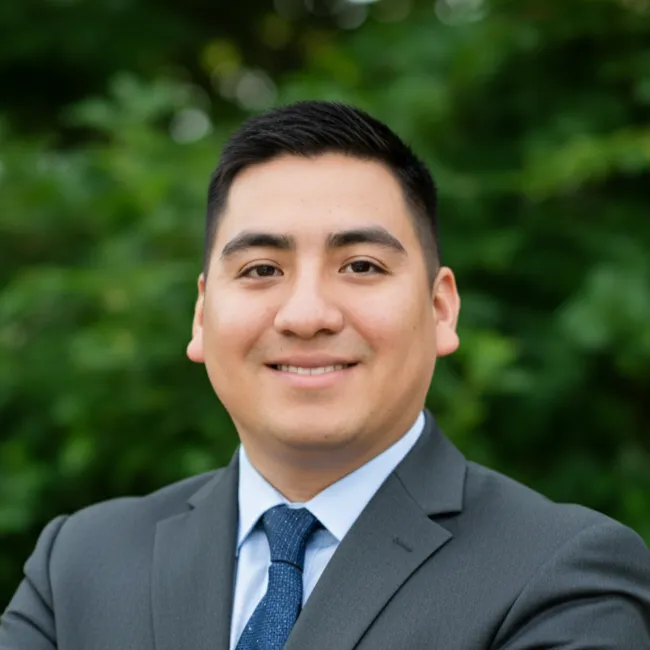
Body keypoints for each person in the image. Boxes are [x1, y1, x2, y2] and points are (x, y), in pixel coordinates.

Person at [1, 100, 649, 650]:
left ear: (440, 309)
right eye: (261, 270)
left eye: (361, 266)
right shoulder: (80, 564)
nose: (306, 315)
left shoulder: (563, 575)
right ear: (201, 317)